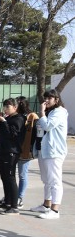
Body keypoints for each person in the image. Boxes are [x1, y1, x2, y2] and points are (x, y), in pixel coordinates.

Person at [31, 89, 68, 219]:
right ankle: (46, 205)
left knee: (54, 180)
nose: (46, 101)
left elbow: (48, 126)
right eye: (45, 98)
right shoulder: (50, 111)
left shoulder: (59, 112)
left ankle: (55, 210)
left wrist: (41, 113)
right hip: (44, 149)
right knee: (46, 179)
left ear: (56, 99)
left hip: (54, 151)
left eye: (49, 98)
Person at [0, 98, 25, 215]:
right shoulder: (7, 118)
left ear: (15, 107)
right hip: (2, 151)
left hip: (11, 152)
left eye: (8, 106)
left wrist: (4, 122)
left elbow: (12, 134)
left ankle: (14, 206)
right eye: (4, 106)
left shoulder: (19, 118)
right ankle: (7, 201)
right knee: (4, 177)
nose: (5, 109)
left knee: (10, 178)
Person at [14, 96, 39, 209]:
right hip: (14, 149)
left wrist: (30, 149)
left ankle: (20, 198)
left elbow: (33, 134)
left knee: (22, 175)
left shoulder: (30, 116)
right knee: (10, 175)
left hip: (24, 150)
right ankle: (10, 196)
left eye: (17, 103)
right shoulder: (14, 116)